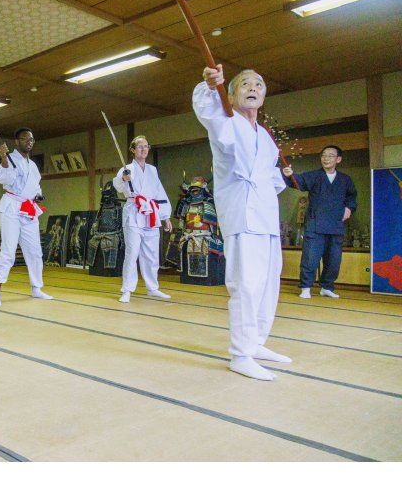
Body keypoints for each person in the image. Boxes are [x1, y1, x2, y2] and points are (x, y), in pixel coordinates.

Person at [192, 65, 291, 381]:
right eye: (245, 83)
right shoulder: (226, 122)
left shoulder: (264, 136)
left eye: (259, 84)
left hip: (266, 216)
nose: (253, 87)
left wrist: (283, 177)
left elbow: (267, 176)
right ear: (231, 95)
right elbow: (208, 111)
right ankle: (240, 354)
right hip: (243, 214)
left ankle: (257, 341)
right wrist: (210, 86)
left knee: (268, 281)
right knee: (246, 284)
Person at [283, 146, 357, 299]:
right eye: (323, 155)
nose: (326, 158)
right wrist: (289, 175)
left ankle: (327, 287)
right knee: (310, 257)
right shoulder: (314, 176)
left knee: (333, 259)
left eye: (330, 156)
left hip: (336, 224)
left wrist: (349, 208)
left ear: (338, 159)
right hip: (315, 224)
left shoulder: (345, 179)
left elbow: (352, 197)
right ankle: (305, 287)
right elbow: (298, 182)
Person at [0, 128, 52, 306]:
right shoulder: (10, 158)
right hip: (11, 206)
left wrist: (38, 195)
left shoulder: (32, 165)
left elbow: (35, 185)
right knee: (8, 250)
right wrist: (3, 157)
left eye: (31, 139)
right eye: (25, 139)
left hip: (28, 207)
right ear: (17, 142)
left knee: (34, 250)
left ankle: (36, 288)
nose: (29, 142)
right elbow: (5, 179)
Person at [112, 136, 173, 302]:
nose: (144, 150)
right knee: (132, 253)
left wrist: (165, 216)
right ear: (133, 150)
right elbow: (117, 186)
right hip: (134, 212)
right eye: (140, 147)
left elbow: (159, 192)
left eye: (146, 146)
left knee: (152, 253)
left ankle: (152, 287)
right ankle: (127, 289)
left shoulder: (152, 170)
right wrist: (123, 179)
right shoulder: (127, 169)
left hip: (151, 213)